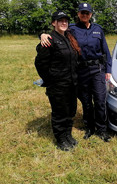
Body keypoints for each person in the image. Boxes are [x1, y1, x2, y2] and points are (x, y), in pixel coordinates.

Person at [40, 3, 112, 142]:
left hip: (97, 70)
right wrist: (42, 35)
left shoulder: (98, 29)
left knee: (100, 100)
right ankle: (89, 128)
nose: (84, 15)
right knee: (86, 102)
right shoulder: (71, 29)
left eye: (87, 13)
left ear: (91, 14)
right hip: (81, 70)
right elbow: (56, 34)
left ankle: (102, 129)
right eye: (82, 12)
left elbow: (106, 51)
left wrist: (108, 70)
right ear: (78, 14)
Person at [35, 11, 81, 151]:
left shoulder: (68, 37)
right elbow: (40, 63)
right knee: (60, 113)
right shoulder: (49, 39)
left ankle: (67, 135)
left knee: (70, 111)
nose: (63, 23)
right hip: (58, 85)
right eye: (60, 20)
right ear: (53, 23)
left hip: (71, 83)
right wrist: (50, 80)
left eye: (66, 20)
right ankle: (61, 139)